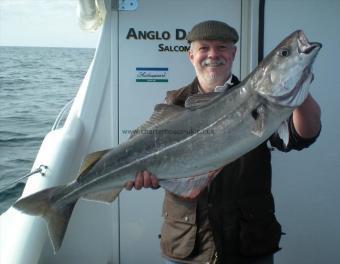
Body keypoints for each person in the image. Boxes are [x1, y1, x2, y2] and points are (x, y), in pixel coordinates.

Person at [125, 20, 321, 264]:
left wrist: (300, 87)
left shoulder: (261, 102)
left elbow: (303, 136)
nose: (212, 55)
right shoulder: (174, 105)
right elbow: (162, 166)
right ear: (191, 55)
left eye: (221, 47)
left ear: (233, 53)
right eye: (204, 48)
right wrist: (149, 176)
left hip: (248, 243)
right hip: (187, 246)